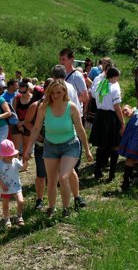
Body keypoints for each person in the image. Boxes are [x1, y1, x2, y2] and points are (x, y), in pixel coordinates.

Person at [29, 80, 93, 218]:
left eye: (58, 92)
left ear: (64, 91)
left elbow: (80, 130)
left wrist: (87, 150)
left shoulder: (72, 107)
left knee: (63, 176)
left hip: (70, 145)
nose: (55, 95)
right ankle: (51, 208)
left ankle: (66, 208)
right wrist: (28, 149)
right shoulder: (44, 108)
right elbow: (35, 128)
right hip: (50, 146)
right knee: (51, 181)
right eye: (52, 93)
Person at [51, 64, 87, 208]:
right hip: (71, 127)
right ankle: (76, 197)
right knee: (70, 169)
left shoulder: (54, 88)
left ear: (53, 76)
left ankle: (65, 201)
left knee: (63, 171)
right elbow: (77, 107)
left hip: (61, 130)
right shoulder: (70, 87)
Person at [90, 67, 125, 181]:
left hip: (100, 115)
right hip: (111, 117)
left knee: (102, 145)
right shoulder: (114, 87)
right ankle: (111, 174)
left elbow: (96, 97)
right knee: (115, 145)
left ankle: (97, 171)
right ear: (114, 76)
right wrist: (122, 122)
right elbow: (116, 106)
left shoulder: (102, 84)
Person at [24, 81, 50, 210]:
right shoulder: (36, 105)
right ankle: (39, 200)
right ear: (44, 90)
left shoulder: (61, 105)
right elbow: (27, 122)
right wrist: (37, 130)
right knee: (41, 174)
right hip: (41, 145)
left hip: (58, 145)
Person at [0, 140, 25, 227]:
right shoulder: (0, 164)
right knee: (5, 204)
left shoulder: (15, 160)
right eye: (8, 156)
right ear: (3, 155)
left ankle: (19, 217)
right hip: (5, 188)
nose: (10, 157)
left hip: (16, 187)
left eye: (11, 155)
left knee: (21, 201)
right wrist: (2, 184)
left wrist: (26, 163)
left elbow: (22, 168)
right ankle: (7, 219)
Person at [12, 79, 34, 170]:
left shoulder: (33, 98)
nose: (21, 88)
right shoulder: (16, 98)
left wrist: (24, 123)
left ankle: (25, 165)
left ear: (27, 87)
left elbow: (34, 113)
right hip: (17, 123)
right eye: (20, 86)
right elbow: (13, 112)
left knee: (26, 146)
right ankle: (14, 165)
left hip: (28, 124)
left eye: (23, 86)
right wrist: (18, 124)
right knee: (16, 147)